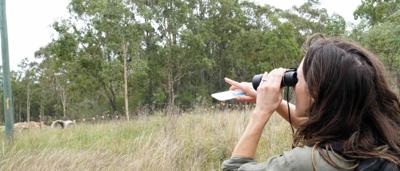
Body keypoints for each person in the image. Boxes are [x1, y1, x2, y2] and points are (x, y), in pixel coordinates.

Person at [221, 33, 400, 171]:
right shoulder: (385, 139)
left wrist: (261, 112)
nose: (294, 83)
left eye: (296, 78)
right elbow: (326, 126)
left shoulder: (304, 163)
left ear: (314, 93)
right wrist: (276, 103)